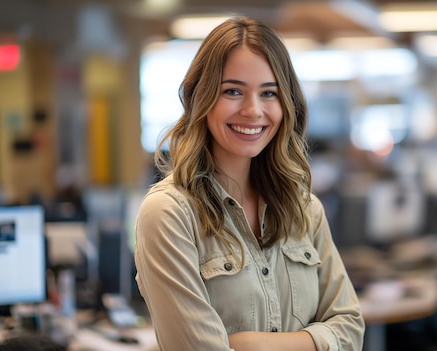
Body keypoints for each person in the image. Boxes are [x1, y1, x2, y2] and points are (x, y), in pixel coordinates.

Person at [134, 16, 365, 351]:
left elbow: (351, 329)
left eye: (268, 93)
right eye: (233, 91)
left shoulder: (304, 208)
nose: (253, 110)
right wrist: (315, 342)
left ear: (286, 104)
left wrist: (249, 345)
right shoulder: (169, 213)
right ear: (202, 97)